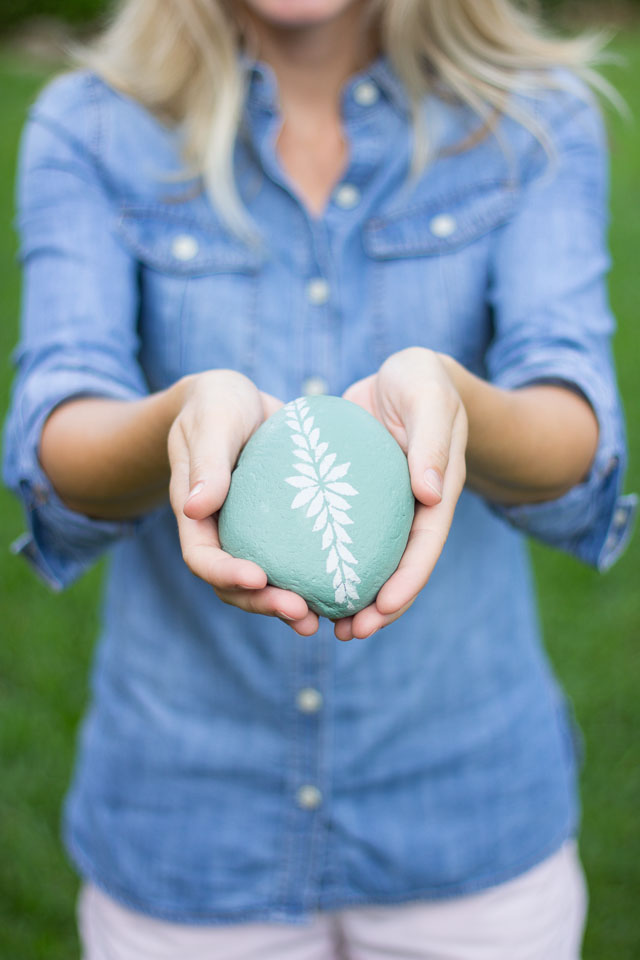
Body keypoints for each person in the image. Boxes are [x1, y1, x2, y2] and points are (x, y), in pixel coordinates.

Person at [2, 0, 637, 957]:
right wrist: (178, 420)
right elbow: (59, 434)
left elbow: (578, 431)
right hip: (188, 827)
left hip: (466, 814)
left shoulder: (532, 118)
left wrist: (459, 401)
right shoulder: (89, 125)